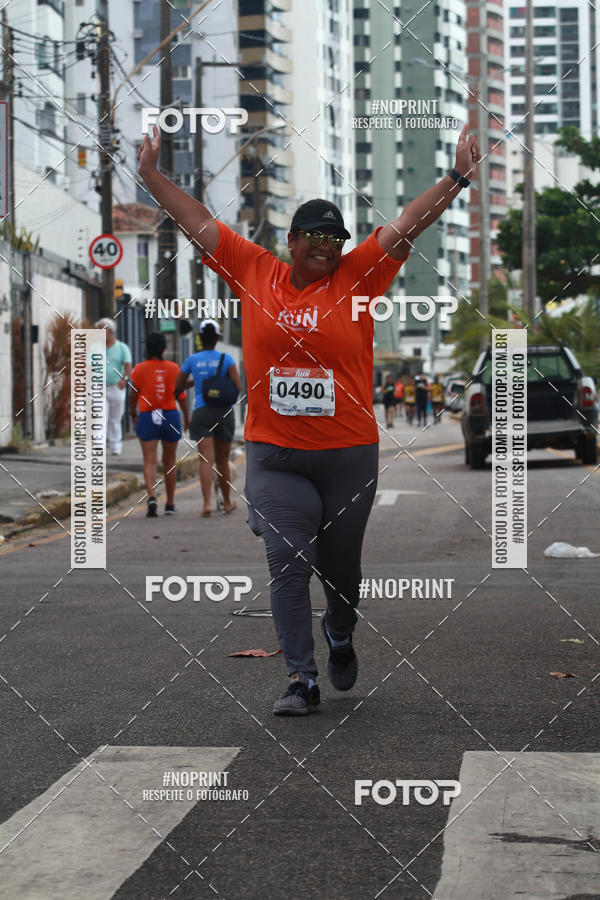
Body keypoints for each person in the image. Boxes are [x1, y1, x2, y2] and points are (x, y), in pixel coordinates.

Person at [138, 122, 480, 716]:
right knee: (288, 562)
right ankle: (301, 678)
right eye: (315, 237)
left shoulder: (361, 275)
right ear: (292, 239)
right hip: (274, 452)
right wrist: (149, 176)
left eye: (336, 239)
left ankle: (341, 632)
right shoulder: (254, 271)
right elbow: (196, 224)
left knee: (341, 571)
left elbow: (405, 226)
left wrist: (455, 178)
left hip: (348, 456)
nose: (327, 246)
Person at [175, 319, 241, 517]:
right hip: (224, 412)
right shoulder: (227, 359)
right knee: (222, 461)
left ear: (200, 338)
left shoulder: (192, 360)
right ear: (218, 338)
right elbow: (237, 386)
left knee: (206, 460)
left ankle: (206, 505)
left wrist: (197, 382)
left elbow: (177, 386)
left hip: (202, 412)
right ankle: (228, 502)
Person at [128, 331, 190, 517]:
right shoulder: (173, 368)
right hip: (170, 415)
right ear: (164, 348)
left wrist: (133, 414)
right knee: (170, 461)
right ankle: (170, 504)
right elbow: (181, 397)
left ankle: (152, 497)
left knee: (149, 460)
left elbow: (133, 395)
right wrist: (186, 417)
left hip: (148, 416)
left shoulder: (138, 369)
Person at [95, 317, 132, 455]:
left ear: (109, 331)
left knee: (115, 418)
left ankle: (116, 446)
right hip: (98, 386)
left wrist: (125, 379)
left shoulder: (122, 348)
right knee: (99, 415)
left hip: (117, 387)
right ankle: (99, 444)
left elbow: (128, 366)